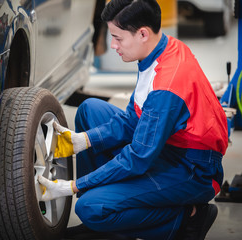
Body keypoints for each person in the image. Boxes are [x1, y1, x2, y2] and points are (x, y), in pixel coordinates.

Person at [38, 0, 228, 239]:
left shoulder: (166, 85)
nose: (113, 45)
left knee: (89, 208)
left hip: (193, 170)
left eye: (118, 37)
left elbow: (138, 158)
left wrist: (74, 185)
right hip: (169, 146)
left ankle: (186, 219)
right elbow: (133, 119)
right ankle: (106, 218)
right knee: (90, 110)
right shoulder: (162, 48)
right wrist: (83, 140)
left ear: (142, 33)